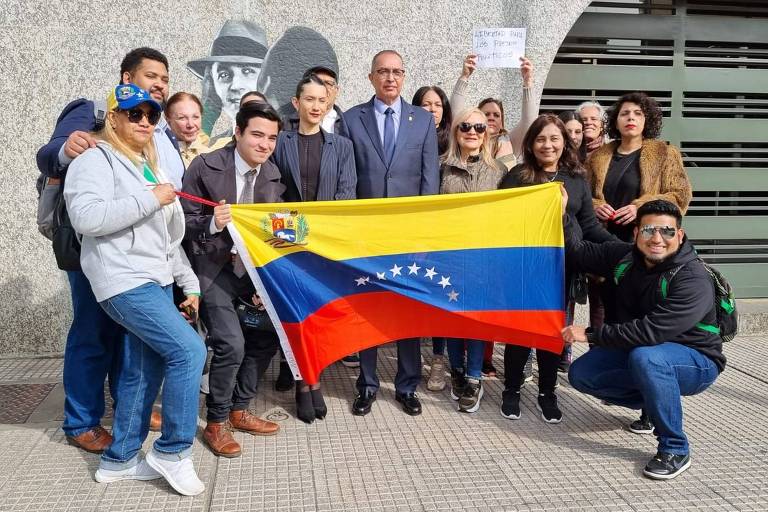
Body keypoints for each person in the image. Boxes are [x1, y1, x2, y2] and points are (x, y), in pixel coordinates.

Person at [64, 83, 206, 495]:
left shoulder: (151, 165)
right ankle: (173, 452)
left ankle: (120, 459)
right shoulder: (94, 160)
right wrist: (150, 199)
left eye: (151, 115)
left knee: (144, 370)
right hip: (122, 280)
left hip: (156, 278)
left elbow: (166, 238)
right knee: (189, 351)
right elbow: (87, 218)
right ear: (113, 118)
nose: (144, 121)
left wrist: (189, 283)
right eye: (134, 114)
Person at [35, 47, 176, 453]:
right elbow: (49, 154)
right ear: (126, 78)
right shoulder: (94, 112)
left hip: (143, 256)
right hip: (92, 250)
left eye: (165, 79)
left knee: (133, 335)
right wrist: (68, 147)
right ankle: (81, 421)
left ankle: (130, 407)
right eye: (151, 76)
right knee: (93, 332)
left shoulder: (155, 125)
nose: (160, 85)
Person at [562, 199, 725, 480]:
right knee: (581, 374)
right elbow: (578, 252)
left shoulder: (693, 277)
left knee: (647, 357)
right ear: (636, 233)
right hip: (643, 350)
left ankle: (675, 447)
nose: (657, 239)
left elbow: (652, 332)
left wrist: (590, 334)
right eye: (649, 230)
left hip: (696, 360)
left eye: (667, 231)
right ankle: (653, 403)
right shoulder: (624, 257)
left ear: (680, 235)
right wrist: (561, 211)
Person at [182, 102, 285, 458]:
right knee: (231, 343)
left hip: (252, 273)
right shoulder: (205, 167)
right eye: (257, 134)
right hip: (212, 271)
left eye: (271, 138)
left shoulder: (272, 175)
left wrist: (266, 279)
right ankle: (216, 421)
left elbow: (274, 230)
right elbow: (181, 223)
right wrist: (213, 223)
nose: (264, 144)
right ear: (238, 132)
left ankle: (240, 409)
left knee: (268, 336)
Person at [498, 114, 615, 423]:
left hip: (561, 269)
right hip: (523, 268)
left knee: (554, 332)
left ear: (565, 143)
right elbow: (499, 221)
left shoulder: (576, 178)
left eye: (554, 139)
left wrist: (619, 249)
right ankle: (511, 390)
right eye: (540, 139)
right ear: (531, 144)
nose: (547, 145)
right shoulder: (517, 177)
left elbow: (589, 225)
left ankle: (547, 392)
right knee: (521, 332)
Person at [343, 49, 440, 416]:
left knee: (406, 311)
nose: (390, 78)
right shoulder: (352, 119)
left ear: (404, 77)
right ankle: (367, 384)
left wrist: (424, 236)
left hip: (407, 235)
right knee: (368, 309)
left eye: (397, 72)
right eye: (383, 72)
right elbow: (347, 181)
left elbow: (429, 181)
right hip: (368, 235)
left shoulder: (422, 121)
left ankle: (406, 385)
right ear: (371, 77)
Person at [271, 74, 357, 422]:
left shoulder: (342, 146)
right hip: (286, 240)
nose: (316, 106)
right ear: (296, 103)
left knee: (317, 314)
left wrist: (323, 235)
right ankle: (302, 383)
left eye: (322, 101)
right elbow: (273, 189)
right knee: (293, 312)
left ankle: (313, 378)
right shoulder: (280, 141)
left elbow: (347, 193)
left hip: (323, 243)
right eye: (309, 99)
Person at [440, 108, 507, 412]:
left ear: (487, 132)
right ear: (456, 130)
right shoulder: (441, 167)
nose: (472, 131)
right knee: (452, 317)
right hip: (448, 255)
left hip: (483, 257)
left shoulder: (498, 173)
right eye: (465, 125)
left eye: (479, 127)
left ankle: (474, 377)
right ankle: (455, 370)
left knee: (476, 320)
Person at [589, 92, 692, 243]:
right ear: (616, 123)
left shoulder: (665, 154)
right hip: (601, 240)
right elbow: (582, 196)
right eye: (624, 113)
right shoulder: (597, 157)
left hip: (647, 240)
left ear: (646, 121)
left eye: (638, 113)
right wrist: (595, 206)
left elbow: (680, 196)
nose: (631, 117)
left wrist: (642, 208)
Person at [450, 54, 536, 169]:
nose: (491, 118)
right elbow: (456, 116)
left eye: (496, 115)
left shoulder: (509, 141)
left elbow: (529, 121)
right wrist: (464, 77)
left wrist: (528, 82)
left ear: (501, 122)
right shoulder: (468, 139)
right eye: (486, 114)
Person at [187, 21, 269, 142]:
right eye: (224, 75)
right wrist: (209, 109)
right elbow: (191, 156)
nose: (235, 85)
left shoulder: (285, 141)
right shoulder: (211, 147)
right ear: (212, 84)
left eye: (247, 71)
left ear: (266, 79)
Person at [166, 92, 211, 167]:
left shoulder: (210, 156)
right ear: (168, 120)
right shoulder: (161, 155)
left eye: (195, 117)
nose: (190, 124)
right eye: (182, 118)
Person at [412, 85, 452, 156]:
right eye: (426, 104)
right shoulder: (407, 137)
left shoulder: (451, 140)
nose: (433, 109)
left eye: (438, 105)